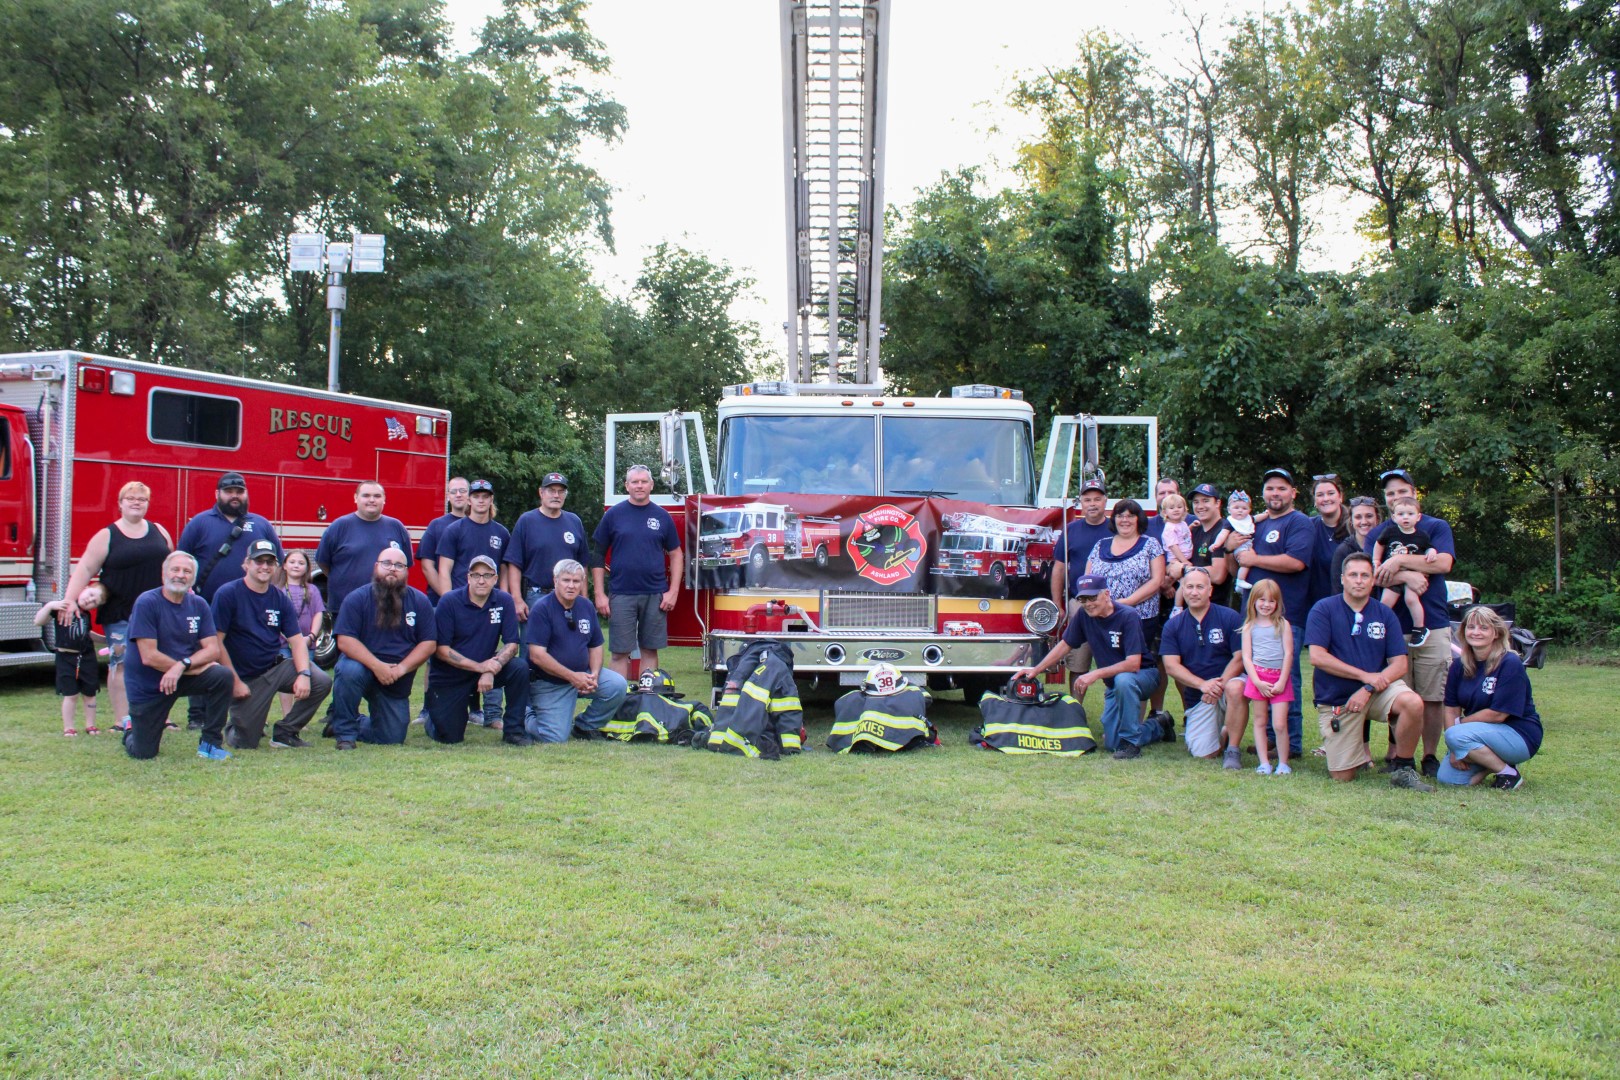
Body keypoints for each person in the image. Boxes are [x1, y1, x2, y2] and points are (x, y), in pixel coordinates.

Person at [1303, 553, 1433, 791]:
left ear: (1373, 581)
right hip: (1338, 698)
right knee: (1343, 776)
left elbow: (1400, 664)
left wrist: (1369, 687)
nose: (1359, 580)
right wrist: (1364, 676)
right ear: (1343, 579)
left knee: (1412, 702)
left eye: (1365, 575)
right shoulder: (1323, 609)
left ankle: (1403, 768)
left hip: (1375, 691)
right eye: (1353, 575)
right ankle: (1353, 753)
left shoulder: (1384, 614)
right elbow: (1317, 657)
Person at [59, 481, 173, 733]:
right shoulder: (107, 535)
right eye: (130, 498)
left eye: (141, 499)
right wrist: (70, 600)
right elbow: (86, 568)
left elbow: (172, 568)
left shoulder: (159, 531)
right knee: (120, 664)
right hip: (120, 612)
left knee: (159, 663)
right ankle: (122, 720)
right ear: (120, 503)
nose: (136, 503)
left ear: (147, 504)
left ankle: (160, 716)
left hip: (157, 613)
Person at [1016, 574, 1172, 759]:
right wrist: (1036, 669)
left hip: (1144, 675)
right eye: (1082, 599)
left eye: (1092, 598)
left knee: (1124, 680)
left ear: (1106, 594)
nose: (1088, 603)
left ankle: (1131, 744)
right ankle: (1160, 724)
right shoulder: (1084, 615)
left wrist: (1095, 674)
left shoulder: (1127, 616)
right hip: (1116, 682)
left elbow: (1133, 663)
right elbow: (1065, 644)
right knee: (1112, 743)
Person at [1366, 468, 1457, 778]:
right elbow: (1372, 571)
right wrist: (1406, 574)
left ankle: (1430, 756)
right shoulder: (1380, 533)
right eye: (1390, 495)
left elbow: (1443, 562)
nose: (1396, 499)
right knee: (1401, 697)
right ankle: (1398, 755)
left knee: (1433, 696)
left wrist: (1399, 562)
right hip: (1392, 627)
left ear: (1415, 493)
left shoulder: (1433, 526)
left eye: (1401, 492)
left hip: (1432, 623)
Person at [211, 540, 330, 749]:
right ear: (246, 564)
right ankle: (235, 725)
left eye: (269, 561)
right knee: (246, 742)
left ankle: (286, 732)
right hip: (244, 677)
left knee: (321, 680)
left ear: (276, 566)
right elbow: (216, 643)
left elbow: (296, 641)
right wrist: (235, 681)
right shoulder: (228, 594)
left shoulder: (279, 598)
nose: (265, 566)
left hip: (274, 669)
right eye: (259, 561)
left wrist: (303, 674)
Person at [1232, 468, 1314, 758]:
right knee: (1259, 673)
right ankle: (1267, 739)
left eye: (1281, 488)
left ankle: (1290, 744)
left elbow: (1296, 562)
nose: (1275, 494)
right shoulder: (1257, 525)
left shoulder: (1300, 522)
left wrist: (1255, 558)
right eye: (1269, 488)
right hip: (1255, 616)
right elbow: (1239, 559)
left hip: (1284, 617)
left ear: (1293, 493)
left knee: (1286, 678)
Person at [122, 552, 235, 761]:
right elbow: (149, 656)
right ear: (164, 574)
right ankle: (130, 729)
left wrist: (182, 665)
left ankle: (210, 744)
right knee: (144, 753)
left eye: (187, 571)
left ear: (192, 579)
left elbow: (213, 650)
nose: (180, 575)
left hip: (181, 675)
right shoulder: (147, 602)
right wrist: (188, 666)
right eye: (175, 569)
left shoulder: (199, 604)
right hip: (150, 684)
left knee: (222, 676)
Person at [329, 548, 436, 749]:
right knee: (348, 670)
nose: (392, 569)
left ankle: (352, 723)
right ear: (376, 567)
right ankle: (345, 734)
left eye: (399, 565)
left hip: (395, 679)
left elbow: (429, 643)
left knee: (392, 737)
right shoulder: (356, 598)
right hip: (363, 669)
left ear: (406, 571)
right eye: (386, 563)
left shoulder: (420, 602)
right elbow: (344, 640)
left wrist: (401, 669)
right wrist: (377, 666)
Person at [424, 555, 531, 746]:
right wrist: (479, 667)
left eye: (487, 575)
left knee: (519, 668)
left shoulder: (504, 601)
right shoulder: (449, 601)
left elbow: (512, 644)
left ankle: (514, 731)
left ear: (495, 579)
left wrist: (490, 668)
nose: (481, 580)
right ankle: (435, 718)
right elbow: (441, 650)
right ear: (468, 578)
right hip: (451, 674)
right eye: (476, 575)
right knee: (449, 737)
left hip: (485, 667)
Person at [1084, 498, 1169, 729]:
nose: (1125, 519)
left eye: (1130, 515)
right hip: (1105, 619)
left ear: (1138, 519)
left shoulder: (1150, 544)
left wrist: (1127, 602)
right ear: (1114, 519)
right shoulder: (1100, 545)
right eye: (1120, 515)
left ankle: (1135, 723)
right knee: (1113, 666)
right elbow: (1087, 581)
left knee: (1134, 670)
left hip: (1140, 617)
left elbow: (1157, 580)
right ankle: (1115, 720)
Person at [592, 466, 683, 679]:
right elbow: (597, 555)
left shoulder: (662, 516)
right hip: (621, 593)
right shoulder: (613, 515)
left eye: (643, 481)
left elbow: (676, 554)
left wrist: (673, 592)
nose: (639, 485)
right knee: (619, 652)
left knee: (650, 650)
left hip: (655, 594)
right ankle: (619, 701)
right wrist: (599, 594)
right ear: (627, 486)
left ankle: (647, 699)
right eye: (634, 482)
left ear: (651, 485)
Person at [436, 479, 513, 728]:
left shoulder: (501, 533)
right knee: (450, 654)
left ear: (491, 500)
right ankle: (438, 707)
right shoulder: (455, 530)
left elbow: (503, 570)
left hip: (491, 605)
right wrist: (448, 601)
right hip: (460, 606)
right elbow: (444, 569)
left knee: (495, 655)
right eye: (476, 496)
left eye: (485, 496)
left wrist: (504, 600)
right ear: (469, 500)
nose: (481, 500)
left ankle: (492, 715)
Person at [1439, 606, 1542, 789]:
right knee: (1449, 779)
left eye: (1483, 628)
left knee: (1455, 733)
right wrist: (1453, 746)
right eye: (1471, 627)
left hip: (1519, 735)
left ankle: (1508, 774)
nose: (1476, 632)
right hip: (1476, 735)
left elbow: (1497, 715)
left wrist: (1457, 730)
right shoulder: (1458, 666)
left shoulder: (1510, 663)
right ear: (1463, 632)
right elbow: (1450, 708)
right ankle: (1497, 763)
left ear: (1496, 633)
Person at [526, 559, 628, 743]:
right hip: (551, 681)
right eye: (566, 580)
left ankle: (584, 726)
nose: (571, 586)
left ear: (582, 583)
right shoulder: (541, 609)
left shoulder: (586, 606)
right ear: (555, 580)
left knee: (617, 685)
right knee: (553, 738)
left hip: (584, 675)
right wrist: (573, 677)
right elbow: (537, 655)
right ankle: (525, 713)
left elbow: (596, 645)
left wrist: (595, 675)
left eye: (576, 581)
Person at [1159, 567, 1246, 763]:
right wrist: (1202, 685)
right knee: (1203, 753)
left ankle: (1233, 750)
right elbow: (1171, 666)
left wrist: (1218, 685)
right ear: (1182, 589)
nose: (1194, 592)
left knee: (1236, 687)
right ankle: (1223, 733)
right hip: (1200, 696)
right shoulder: (1173, 625)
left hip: (1227, 685)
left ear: (1210, 590)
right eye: (1189, 587)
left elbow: (1240, 657)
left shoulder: (1229, 616)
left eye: (1200, 587)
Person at [315, 481, 414, 616]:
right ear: (356, 498)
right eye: (366, 495)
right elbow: (324, 563)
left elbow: (405, 565)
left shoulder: (397, 527)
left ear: (384, 499)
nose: (372, 500)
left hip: (387, 607)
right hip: (345, 607)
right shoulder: (338, 527)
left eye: (377, 496)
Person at [504, 471, 592, 622]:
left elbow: (582, 564)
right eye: (551, 490)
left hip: (569, 596)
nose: (556, 495)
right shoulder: (527, 521)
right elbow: (514, 563)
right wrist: (517, 599)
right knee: (533, 644)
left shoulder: (574, 521)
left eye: (561, 491)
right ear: (541, 492)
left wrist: (583, 598)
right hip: (535, 595)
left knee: (567, 644)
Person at [1049, 478, 1113, 677]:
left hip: (1114, 603)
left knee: (1115, 661)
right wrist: (1057, 603)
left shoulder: (1117, 528)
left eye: (1097, 499)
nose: (1092, 504)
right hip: (1080, 603)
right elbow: (1059, 569)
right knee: (1078, 662)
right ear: (1081, 503)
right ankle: (1076, 706)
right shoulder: (1070, 531)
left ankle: (1114, 706)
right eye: (1087, 500)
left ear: (1105, 501)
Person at [34, 583, 107, 737]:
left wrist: (106, 640)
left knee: (90, 692)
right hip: (66, 657)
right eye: (91, 595)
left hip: (86, 656)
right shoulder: (62, 607)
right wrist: (50, 606)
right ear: (84, 589)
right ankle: (69, 727)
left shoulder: (86, 615)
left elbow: (88, 633)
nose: (90, 600)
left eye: (95, 601)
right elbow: (38, 621)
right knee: (71, 694)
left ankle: (91, 725)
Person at [1239, 579, 1296, 776]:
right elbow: (1247, 657)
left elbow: (1288, 654)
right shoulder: (1249, 627)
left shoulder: (1282, 625)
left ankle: (1283, 763)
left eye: (1271, 601)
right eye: (1261, 600)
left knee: (1279, 723)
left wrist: (1281, 681)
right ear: (1253, 601)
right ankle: (1264, 763)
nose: (1266, 604)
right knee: (1260, 721)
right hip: (1258, 678)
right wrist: (1256, 681)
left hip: (1279, 678)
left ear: (1277, 603)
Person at [1372, 495, 1439, 646]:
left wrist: (1431, 552)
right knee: (1386, 601)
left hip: (1414, 575)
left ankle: (1420, 628)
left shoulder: (1421, 535)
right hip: (1394, 574)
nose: (1405, 518)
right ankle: (1380, 626)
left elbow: (1429, 547)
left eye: (1410, 514)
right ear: (1394, 517)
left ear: (1418, 517)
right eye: (1401, 514)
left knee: (1411, 599)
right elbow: (1379, 544)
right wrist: (1376, 560)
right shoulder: (1390, 532)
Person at [275, 549, 324, 721]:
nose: (296, 565)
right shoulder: (277, 590)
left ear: (307, 567)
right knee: (284, 681)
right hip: (282, 644)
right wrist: (289, 638)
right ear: (284, 566)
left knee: (306, 677)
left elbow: (318, 613)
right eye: (292, 562)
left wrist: (311, 636)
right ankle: (287, 715)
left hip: (307, 644)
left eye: (301, 563)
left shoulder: (312, 590)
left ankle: (298, 718)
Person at [416, 476, 470, 604]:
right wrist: (447, 597)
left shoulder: (481, 526)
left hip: (477, 603)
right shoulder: (436, 525)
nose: (458, 495)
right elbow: (427, 566)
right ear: (447, 496)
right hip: (440, 603)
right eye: (453, 491)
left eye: (462, 491)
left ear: (470, 495)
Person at [1183, 482, 1234, 609]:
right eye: (1196, 502)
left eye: (1205, 501)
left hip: (1216, 608)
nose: (1200, 506)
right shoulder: (1194, 530)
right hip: (1190, 607)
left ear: (1217, 503)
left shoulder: (1224, 531)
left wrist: (1183, 570)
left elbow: (1218, 575)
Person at [1307, 473, 1349, 607]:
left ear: (1340, 496)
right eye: (1320, 495)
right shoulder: (1307, 527)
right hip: (1314, 604)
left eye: (1331, 493)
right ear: (1315, 500)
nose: (1326, 498)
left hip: (1345, 603)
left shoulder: (1354, 527)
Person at [1332, 496, 1382, 586]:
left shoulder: (1386, 544)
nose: (1364, 521)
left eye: (1369, 516)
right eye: (1358, 517)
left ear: (1377, 519)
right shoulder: (1343, 551)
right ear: (1351, 521)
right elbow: (1338, 589)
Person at [1226, 490, 1256, 607]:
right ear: (1229, 509)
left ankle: (1240, 581)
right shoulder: (1230, 522)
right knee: (1246, 560)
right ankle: (1239, 581)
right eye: (1236, 507)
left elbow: (1257, 518)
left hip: (1247, 545)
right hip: (1240, 549)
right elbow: (1223, 534)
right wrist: (1221, 545)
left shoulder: (1249, 520)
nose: (1240, 510)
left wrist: (1265, 514)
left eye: (1244, 508)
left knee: (1248, 560)